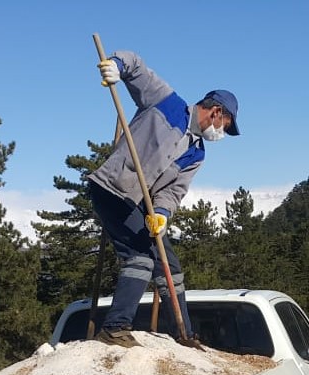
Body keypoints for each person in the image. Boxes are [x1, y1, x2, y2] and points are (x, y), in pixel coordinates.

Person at [88, 50, 240, 348]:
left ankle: (182, 335)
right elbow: (134, 64)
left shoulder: (197, 152)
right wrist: (115, 67)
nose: (222, 132)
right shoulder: (166, 102)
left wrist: (161, 213)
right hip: (113, 189)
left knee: (169, 266)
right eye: (226, 125)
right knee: (140, 258)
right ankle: (115, 329)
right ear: (216, 112)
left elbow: (173, 190)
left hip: (142, 206)